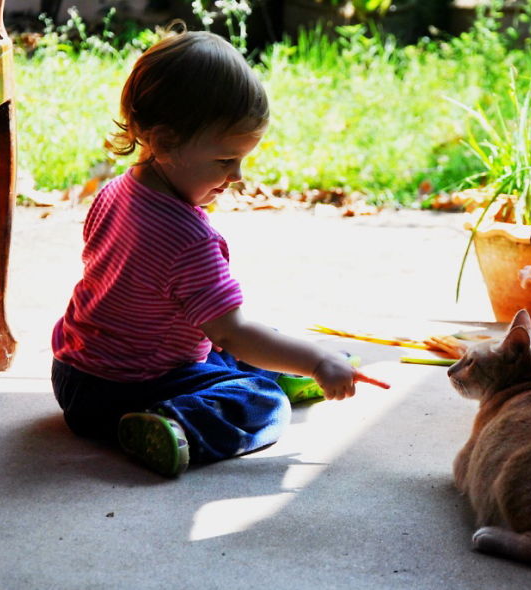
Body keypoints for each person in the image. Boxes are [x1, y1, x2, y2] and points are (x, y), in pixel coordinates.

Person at [51, 28, 373, 479]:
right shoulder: (187, 238)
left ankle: (292, 366)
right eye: (225, 161)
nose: (237, 175)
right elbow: (232, 332)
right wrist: (317, 359)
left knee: (251, 341)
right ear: (163, 143)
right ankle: (173, 424)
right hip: (129, 390)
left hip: (74, 375)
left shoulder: (115, 191)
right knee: (262, 401)